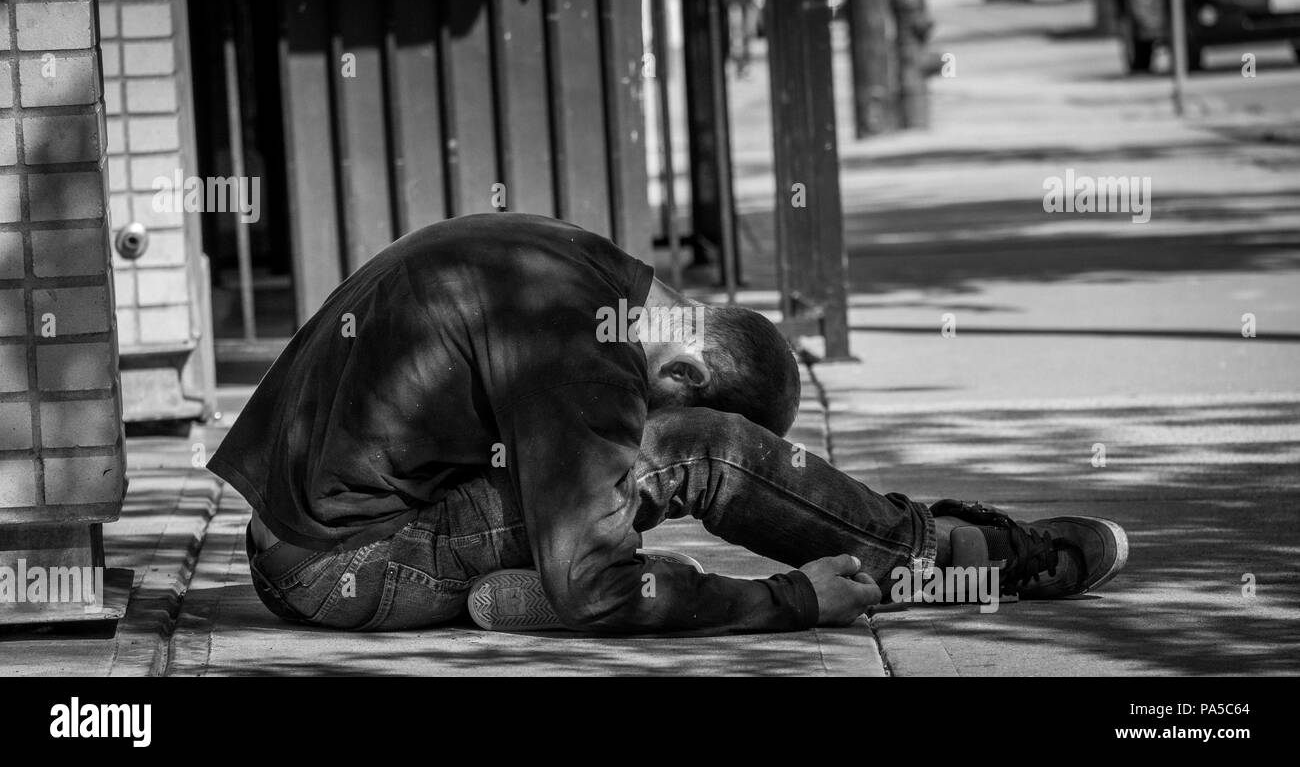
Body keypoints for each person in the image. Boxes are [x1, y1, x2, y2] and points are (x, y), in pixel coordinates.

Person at [209, 213, 1126, 634]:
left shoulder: (585, 265)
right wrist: (786, 601)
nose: (636, 424)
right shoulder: (586, 351)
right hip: (341, 566)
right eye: (661, 404)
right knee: (699, 457)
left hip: (312, 535)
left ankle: (513, 592)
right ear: (685, 370)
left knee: (596, 498)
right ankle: (942, 562)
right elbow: (603, 586)